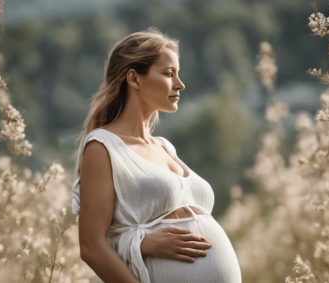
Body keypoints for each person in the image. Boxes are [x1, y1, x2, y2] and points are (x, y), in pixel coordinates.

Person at [72, 26, 242, 283]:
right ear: (134, 78)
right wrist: (140, 244)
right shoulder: (102, 147)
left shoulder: (164, 147)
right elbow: (92, 247)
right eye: (169, 74)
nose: (180, 84)